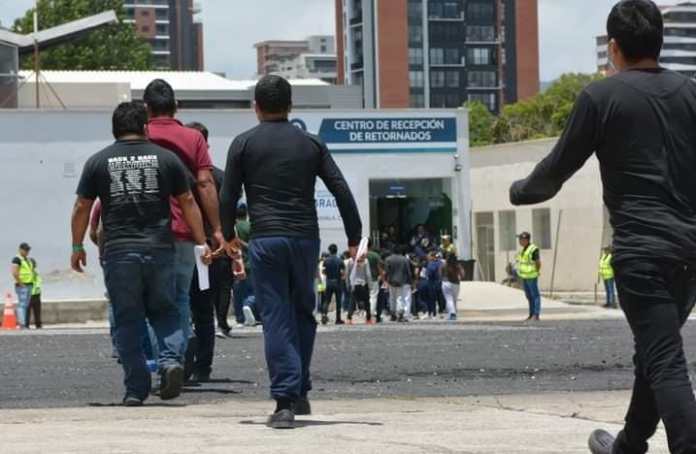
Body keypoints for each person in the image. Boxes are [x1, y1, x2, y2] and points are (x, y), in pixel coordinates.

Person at [510, 1, 696, 451]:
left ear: (613, 47)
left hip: (641, 254)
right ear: (660, 41)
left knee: (664, 358)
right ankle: (629, 443)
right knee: (653, 351)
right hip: (690, 253)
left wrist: (519, 192)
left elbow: (554, 172)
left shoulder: (601, 97)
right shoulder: (691, 93)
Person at [219, 75, 362, 429]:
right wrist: (354, 235)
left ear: (256, 107)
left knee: (277, 318)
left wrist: (227, 234)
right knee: (303, 313)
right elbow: (340, 188)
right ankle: (299, 391)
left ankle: (285, 400)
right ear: (290, 106)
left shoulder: (243, 144)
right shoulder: (311, 143)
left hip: (267, 239)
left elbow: (228, 194)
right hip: (304, 238)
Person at [70, 101, 209, 406]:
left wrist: (77, 246)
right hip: (159, 249)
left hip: (119, 253)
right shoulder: (166, 159)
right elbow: (187, 201)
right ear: (145, 126)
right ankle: (171, 361)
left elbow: (82, 206)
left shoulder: (98, 161)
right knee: (166, 310)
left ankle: (136, 388)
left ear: (114, 129)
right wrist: (202, 242)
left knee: (127, 319)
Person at [144, 79, 225, 359]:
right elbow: (205, 184)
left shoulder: (139, 135)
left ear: (146, 108)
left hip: (146, 232)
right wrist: (215, 229)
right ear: (176, 107)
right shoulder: (194, 139)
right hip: (184, 232)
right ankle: (175, 360)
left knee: (151, 303)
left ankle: (159, 363)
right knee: (180, 299)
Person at [184, 121, 231, 382]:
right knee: (204, 311)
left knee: (181, 307)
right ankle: (203, 366)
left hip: (185, 248)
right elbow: (229, 217)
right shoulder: (221, 177)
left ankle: (186, 361)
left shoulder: (177, 172)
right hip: (211, 253)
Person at [233, 203, 258, 327]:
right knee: (254, 291)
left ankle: (240, 318)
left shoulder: (232, 228)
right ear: (247, 213)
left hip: (236, 264)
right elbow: (254, 247)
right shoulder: (251, 227)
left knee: (238, 292)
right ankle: (248, 305)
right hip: (251, 264)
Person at [515, 232, 541, 321]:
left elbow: (538, 262)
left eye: (521, 239)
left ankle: (536, 314)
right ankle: (531, 314)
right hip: (525, 276)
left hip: (532, 276)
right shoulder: (524, 249)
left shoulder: (533, 249)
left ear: (525, 240)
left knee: (535, 295)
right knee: (529, 296)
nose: (519, 241)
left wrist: (537, 271)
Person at [385, 245, 414, 322]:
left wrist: (386, 280)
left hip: (391, 280)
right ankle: (400, 313)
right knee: (400, 298)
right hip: (402, 280)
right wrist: (411, 281)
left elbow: (386, 271)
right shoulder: (405, 259)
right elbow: (408, 271)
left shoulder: (388, 259)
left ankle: (392, 313)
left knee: (392, 297)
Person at [11, 243, 34, 329]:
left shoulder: (27, 260)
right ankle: (22, 324)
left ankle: (24, 324)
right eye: (25, 250)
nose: (27, 252)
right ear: (20, 249)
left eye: (28, 250)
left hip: (29, 285)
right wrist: (21, 284)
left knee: (26, 305)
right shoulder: (17, 259)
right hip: (22, 285)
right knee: (22, 305)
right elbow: (14, 272)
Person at [321, 244, 346, 325]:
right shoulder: (340, 260)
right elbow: (342, 273)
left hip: (329, 282)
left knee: (327, 300)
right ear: (336, 250)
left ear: (329, 250)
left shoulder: (326, 260)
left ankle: (324, 314)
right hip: (337, 282)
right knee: (338, 301)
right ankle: (338, 319)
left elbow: (323, 272)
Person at [346, 255, 372, 324]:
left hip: (354, 284)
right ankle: (368, 319)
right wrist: (370, 285)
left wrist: (348, 284)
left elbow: (347, 274)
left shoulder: (350, 261)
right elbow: (368, 274)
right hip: (363, 283)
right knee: (367, 301)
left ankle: (349, 318)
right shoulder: (365, 260)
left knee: (352, 301)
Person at [441, 254, 464, 321]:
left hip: (446, 282)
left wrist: (442, 278)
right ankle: (453, 313)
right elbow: (463, 274)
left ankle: (452, 314)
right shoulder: (458, 265)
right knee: (454, 300)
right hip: (456, 284)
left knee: (449, 299)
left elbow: (440, 273)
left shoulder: (445, 265)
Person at [28, 258, 42, 329]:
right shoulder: (29, 273)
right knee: (28, 312)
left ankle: (38, 325)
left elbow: (38, 283)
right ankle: (26, 325)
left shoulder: (36, 273)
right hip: (30, 294)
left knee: (37, 311)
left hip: (36, 294)